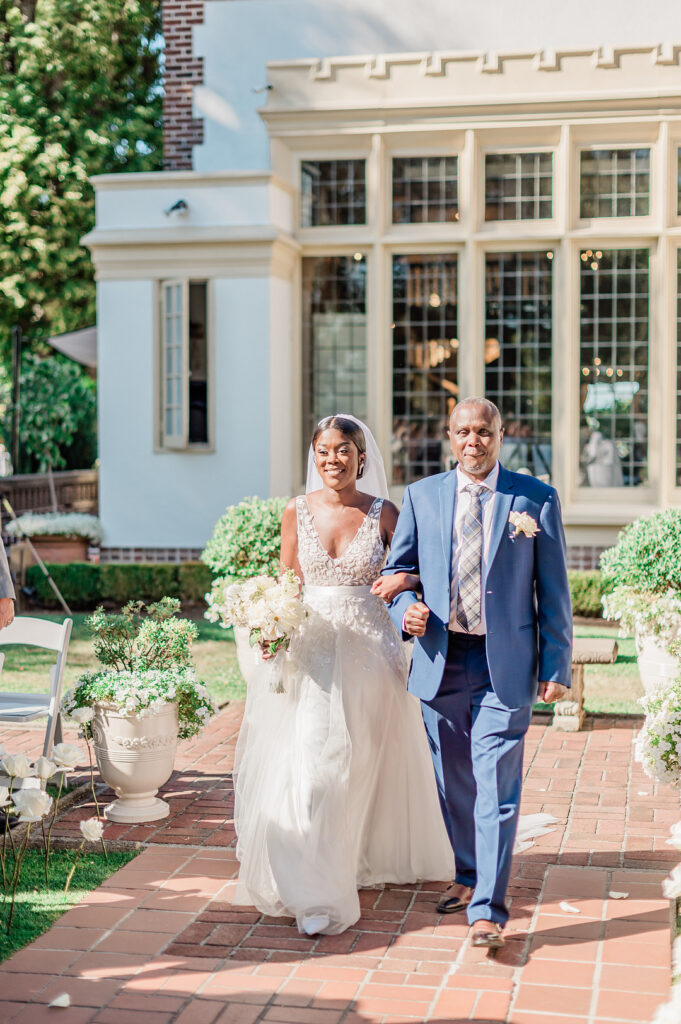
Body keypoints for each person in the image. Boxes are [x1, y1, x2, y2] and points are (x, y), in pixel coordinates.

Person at [232, 415, 454, 936]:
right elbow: (288, 582)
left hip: (369, 656)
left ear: (361, 457)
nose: (334, 459)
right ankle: (317, 892)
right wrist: (271, 625)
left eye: (345, 450)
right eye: (324, 450)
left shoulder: (385, 513)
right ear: (315, 455)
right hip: (309, 654)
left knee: (360, 763)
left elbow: (420, 570)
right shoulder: (295, 512)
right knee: (314, 767)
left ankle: (351, 857)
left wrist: (405, 582)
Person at [383, 397, 572, 950]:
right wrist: (405, 612)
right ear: (449, 436)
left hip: (504, 665)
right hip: (442, 661)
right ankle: (467, 875)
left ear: (500, 434)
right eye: (463, 432)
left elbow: (554, 590)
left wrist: (556, 662)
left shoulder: (534, 498)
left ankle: (487, 910)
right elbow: (399, 572)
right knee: (455, 784)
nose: (473, 441)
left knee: (495, 783)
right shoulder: (422, 496)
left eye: (483, 432)